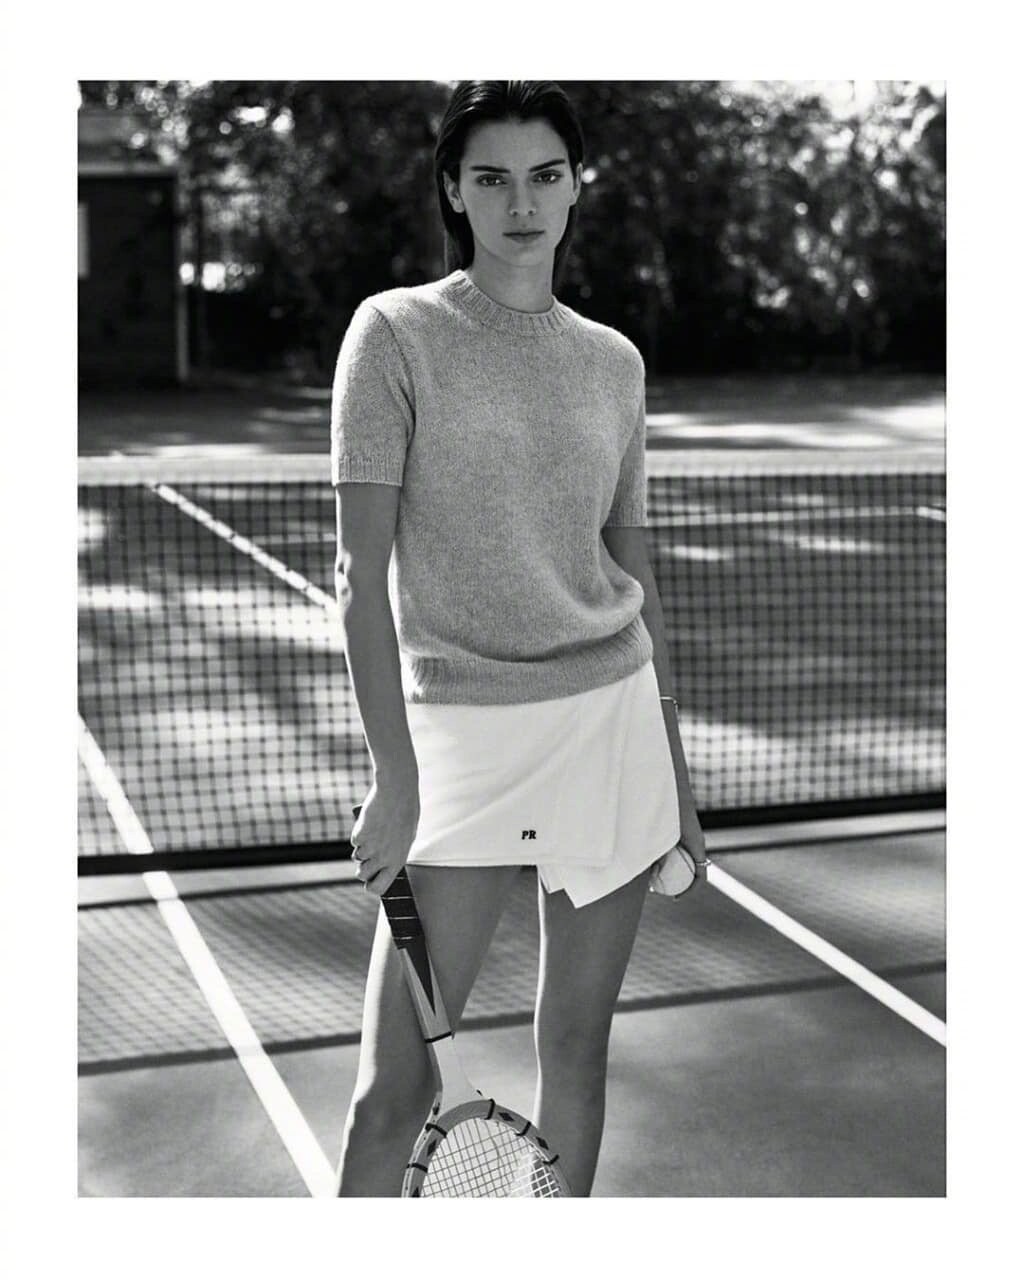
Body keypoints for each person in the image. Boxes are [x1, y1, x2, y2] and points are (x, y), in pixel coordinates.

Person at [332, 80, 707, 1198]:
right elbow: (357, 578)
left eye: (546, 175)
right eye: (491, 178)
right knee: (390, 1093)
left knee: (576, 1052)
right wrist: (395, 775)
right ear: (454, 191)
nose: (522, 203)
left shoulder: (614, 362)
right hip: (464, 741)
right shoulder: (393, 333)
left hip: (609, 728)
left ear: (577, 185)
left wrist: (676, 779)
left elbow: (632, 572)